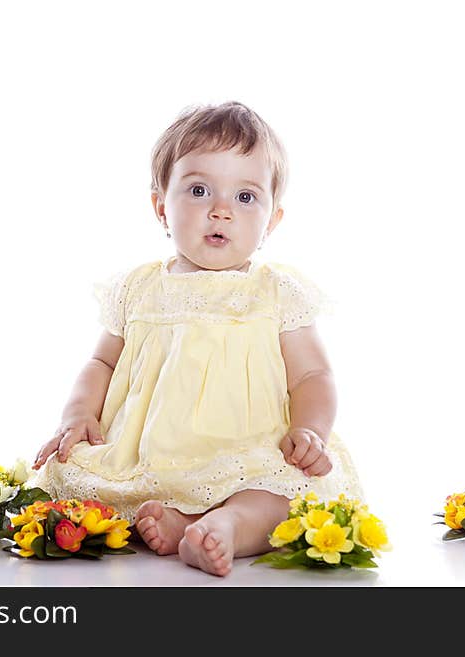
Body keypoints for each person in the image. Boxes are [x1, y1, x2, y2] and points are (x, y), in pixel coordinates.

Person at [32, 100, 363, 576]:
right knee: (72, 481)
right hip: (145, 454)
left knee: (286, 496)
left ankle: (225, 522)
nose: (221, 211)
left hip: (248, 450)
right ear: (159, 206)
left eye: (245, 197)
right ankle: (177, 515)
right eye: (199, 190)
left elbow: (312, 373)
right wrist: (78, 413)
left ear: (272, 221)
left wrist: (310, 430)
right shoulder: (138, 288)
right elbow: (101, 363)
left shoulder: (275, 292)